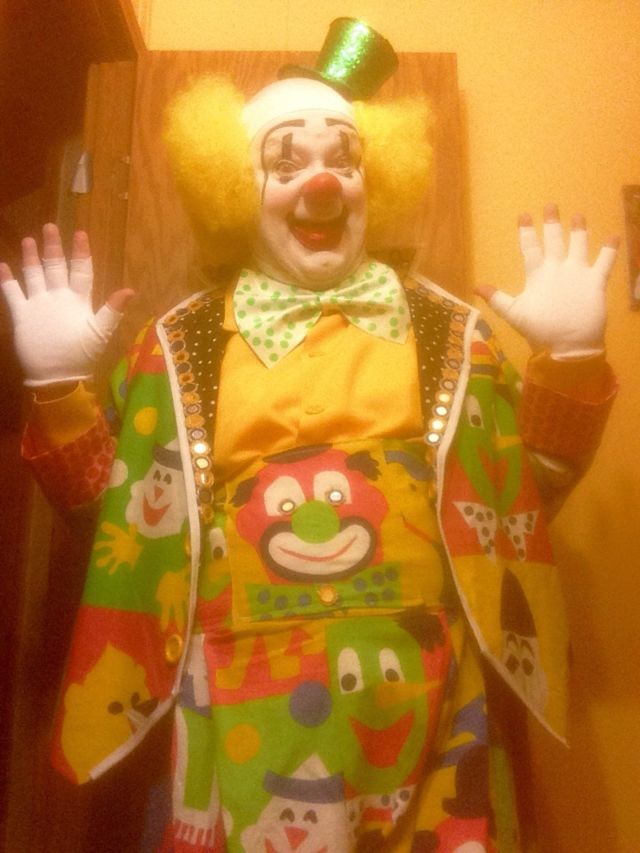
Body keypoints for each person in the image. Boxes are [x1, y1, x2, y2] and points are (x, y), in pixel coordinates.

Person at [0, 19, 618, 853]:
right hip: (232, 709)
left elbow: (523, 501)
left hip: (434, 707)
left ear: (374, 179)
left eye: (345, 159)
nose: (322, 182)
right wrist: (55, 390)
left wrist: (571, 363)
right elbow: (111, 528)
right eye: (285, 164)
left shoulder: (451, 333)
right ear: (234, 187)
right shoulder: (176, 345)